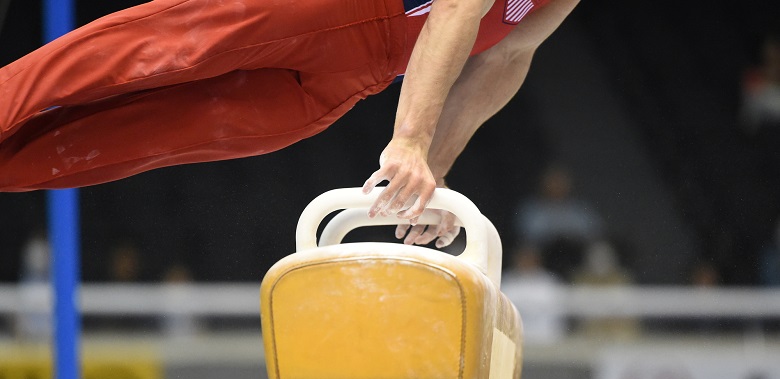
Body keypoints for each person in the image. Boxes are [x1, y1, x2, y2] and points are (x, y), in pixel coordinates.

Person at [0, 0, 579, 247]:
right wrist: (410, 140)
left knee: (154, 137)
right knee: (155, 49)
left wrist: (434, 172)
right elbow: (457, 9)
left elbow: (505, 57)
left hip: (357, 75)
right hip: (332, 7)